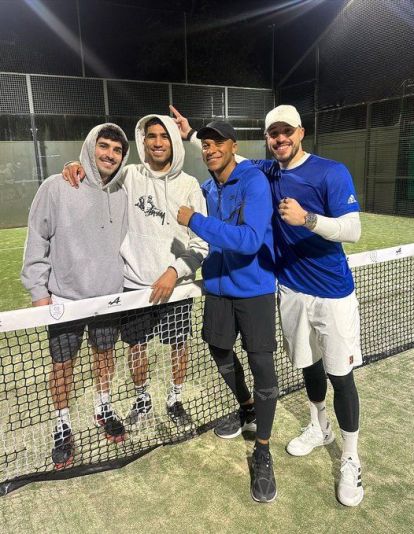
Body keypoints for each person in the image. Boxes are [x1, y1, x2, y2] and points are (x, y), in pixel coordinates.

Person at [172, 104, 364, 507]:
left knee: (340, 375)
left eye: (286, 132)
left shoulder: (331, 172)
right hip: (291, 289)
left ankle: (351, 458)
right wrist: (192, 136)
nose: (280, 139)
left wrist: (309, 219)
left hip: (332, 293)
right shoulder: (268, 169)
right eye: (273, 134)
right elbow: (227, 154)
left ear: (301, 132)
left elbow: (353, 229)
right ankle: (318, 426)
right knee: (309, 366)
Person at [62, 115, 208, 428]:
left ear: (174, 141)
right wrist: (77, 165)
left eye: (164, 136)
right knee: (136, 348)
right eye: (151, 136)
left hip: (177, 287)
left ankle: (175, 399)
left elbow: (202, 243)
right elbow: (96, 180)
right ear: (143, 141)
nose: (158, 142)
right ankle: (142, 399)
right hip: (134, 288)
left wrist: (174, 272)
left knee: (179, 347)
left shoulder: (190, 186)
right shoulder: (128, 175)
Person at [176, 120, 279, 503]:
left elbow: (251, 240)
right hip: (218, 290)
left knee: (262, 367)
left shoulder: (254, 183)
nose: (210, 149)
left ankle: (264, 449)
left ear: (234, 146)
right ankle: (247, 407)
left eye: (218, 143)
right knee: (218, 349)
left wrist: (197, 222)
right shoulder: (205, 187)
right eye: (205, 144)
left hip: (254, 291)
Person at [21, 124, 130, 469]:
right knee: (62, 365)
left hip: (109, 299)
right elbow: (37, 240)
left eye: (117, 150)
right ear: (90, 147)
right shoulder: (56, 186)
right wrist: (40, 295)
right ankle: (63, 423)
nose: (109, 154)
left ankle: (102, 406)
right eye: (104, 146)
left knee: (104, 356)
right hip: (64, 301)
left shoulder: (123, 192)